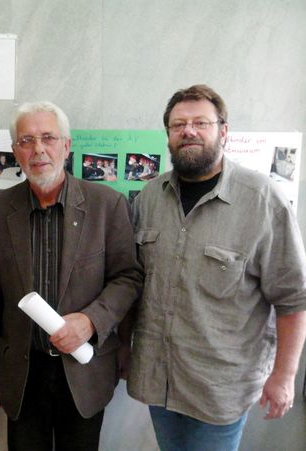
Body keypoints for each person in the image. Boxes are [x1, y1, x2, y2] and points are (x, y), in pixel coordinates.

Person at [124, 84, 306, 451]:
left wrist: (284, 377)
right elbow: (132, 283)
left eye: (200, 123)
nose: (188, 131)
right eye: (178, 125)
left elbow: (294, 299)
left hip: (220, 389)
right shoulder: (147, 198)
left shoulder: (262, 200)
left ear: (223, 131)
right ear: (169, 136)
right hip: (158, 380)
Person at [0, 101, 143, 451]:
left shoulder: (107, 205)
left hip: (85, 369)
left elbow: (128, 278)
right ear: (15, 151)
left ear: (66, 146)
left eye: (48, 138)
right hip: (22, 372)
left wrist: (90, 321)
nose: (38, 149)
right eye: (27, 140)